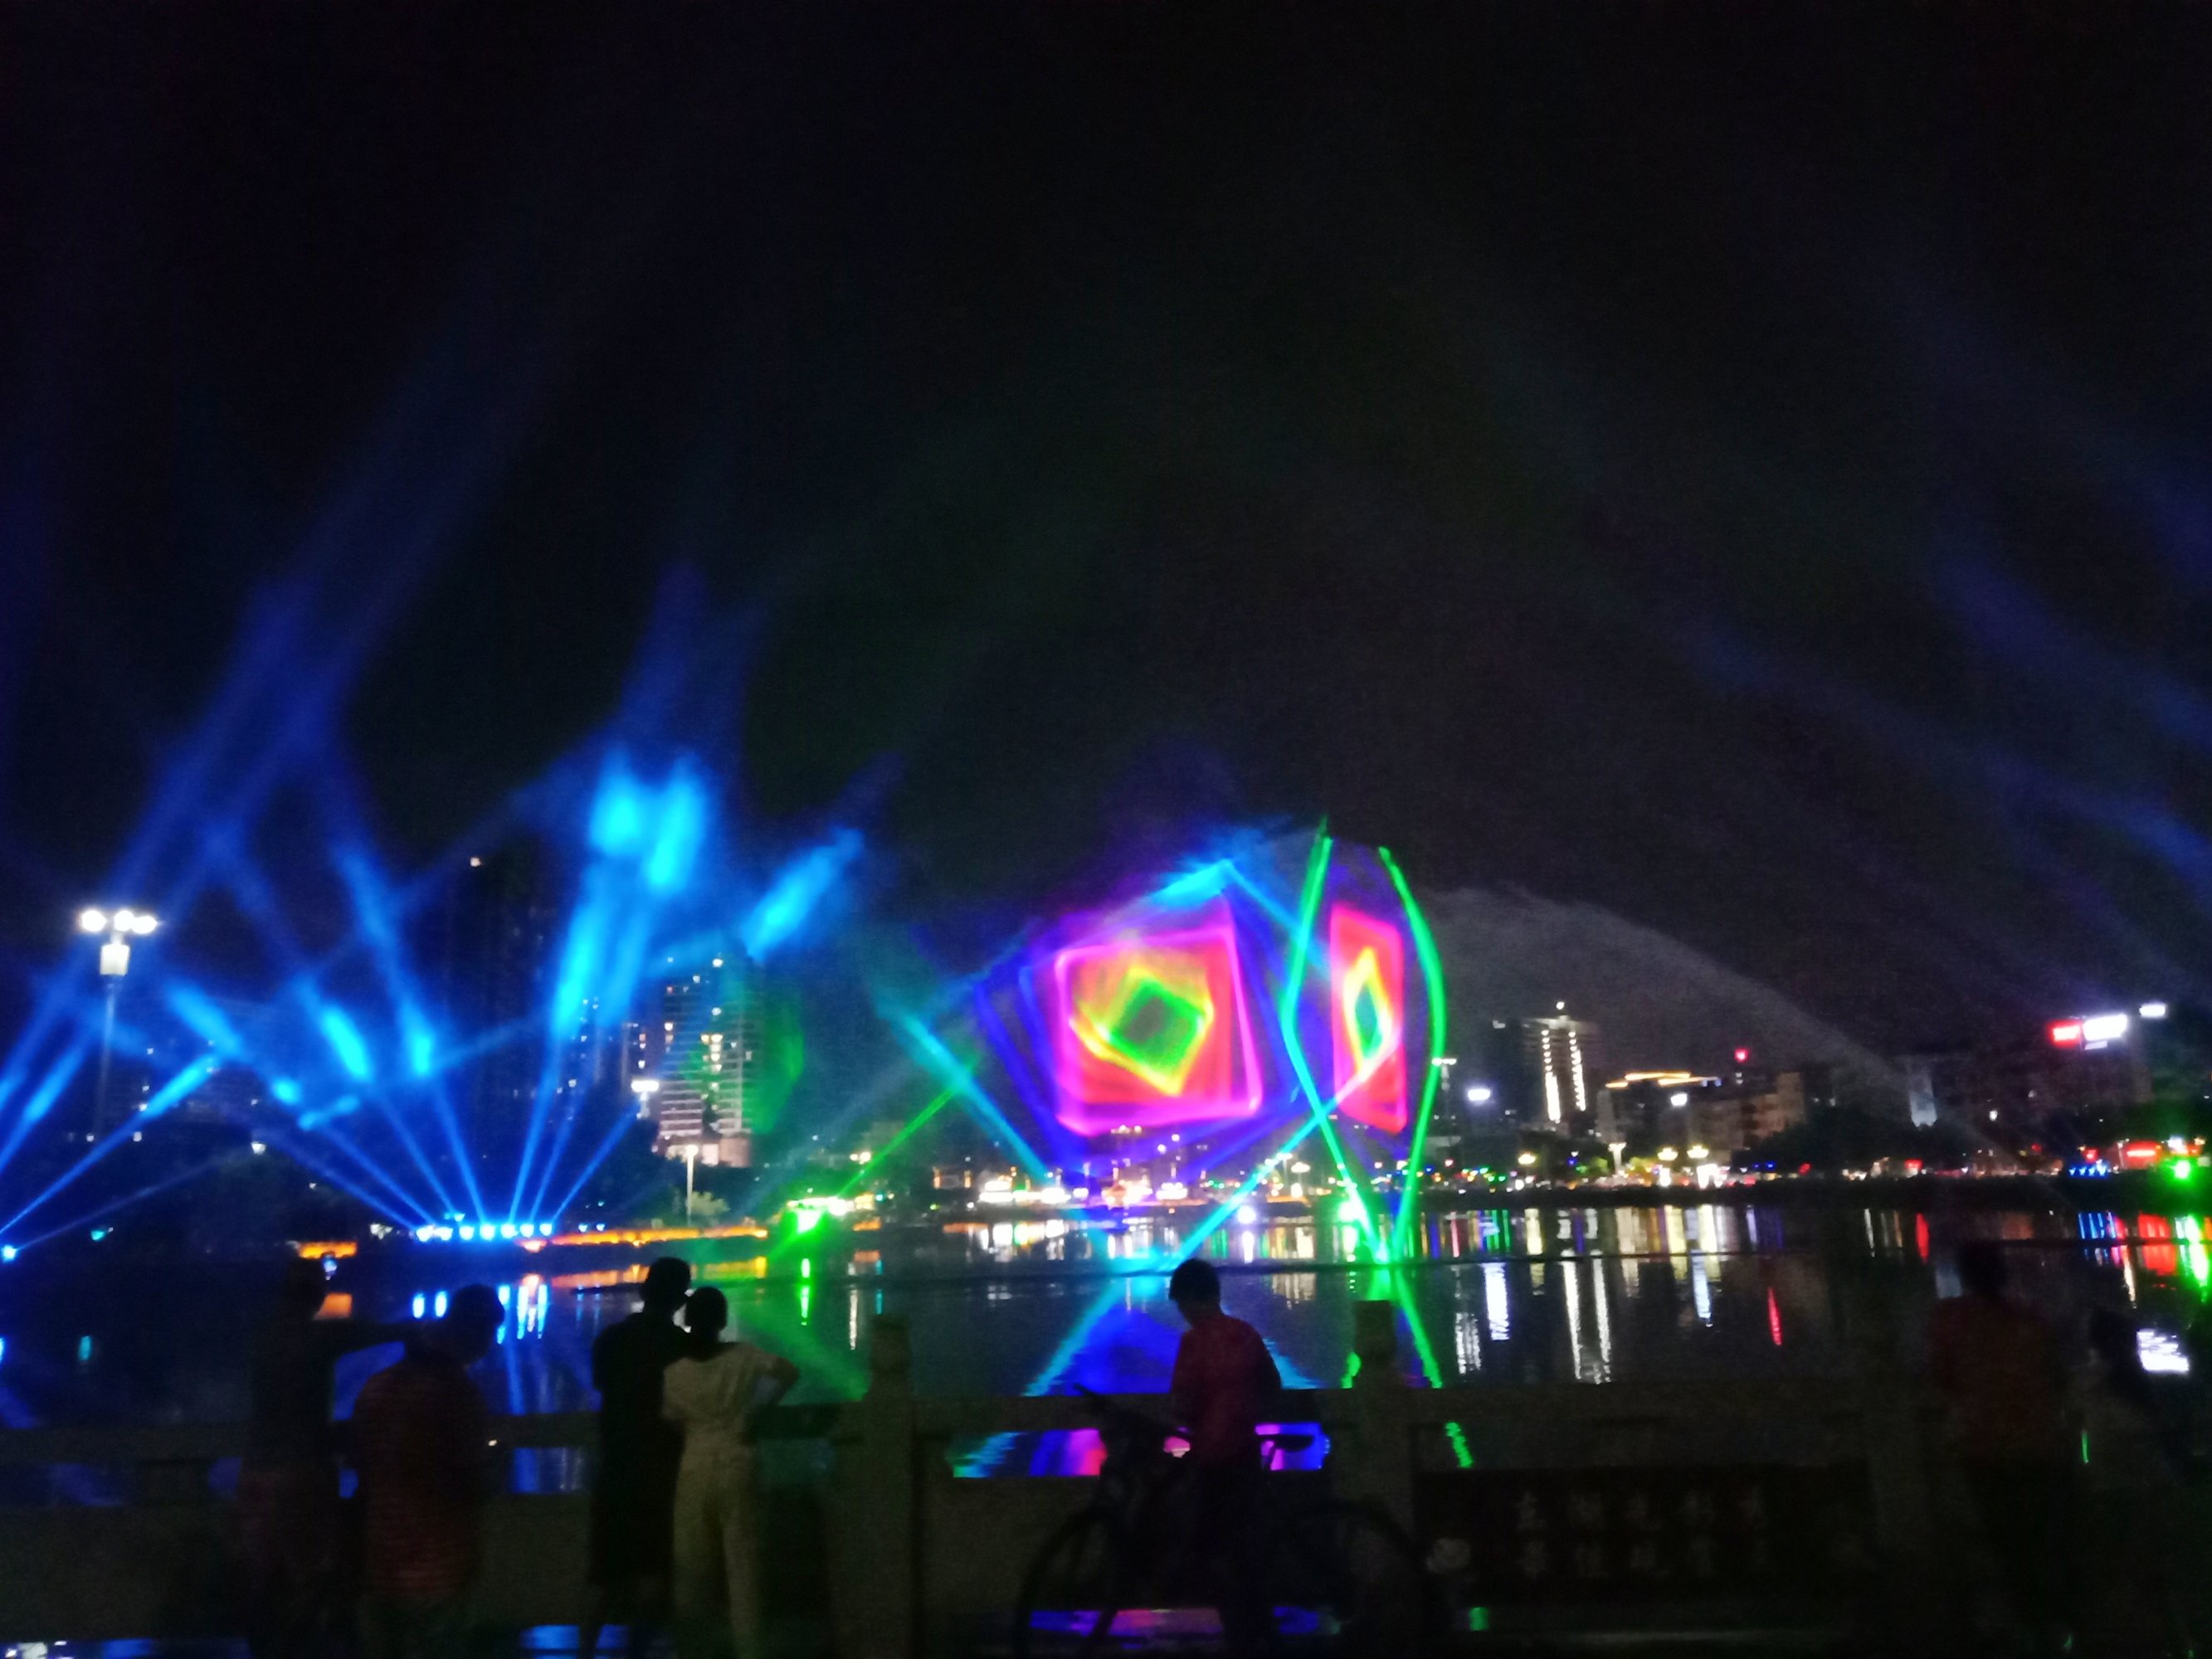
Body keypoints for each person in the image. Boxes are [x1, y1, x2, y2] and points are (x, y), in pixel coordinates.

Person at [239, 1256, 412, 1659]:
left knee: (263, 1572)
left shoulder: (260, 1337)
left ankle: (265, 1648)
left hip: (257, 1469)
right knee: (312, 1569)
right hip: (304, 1469)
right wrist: (417, 1332)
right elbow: (371, 1331)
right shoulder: (321, 1338)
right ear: (318, 1296)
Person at [1926, 1242, 2070, 1647]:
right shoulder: (2031, 1321)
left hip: (1984, 1445)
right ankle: (2048, 1623)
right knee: (2038, 1537)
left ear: (1965, 1277)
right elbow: (2055, 1375)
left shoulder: (1950, 1322)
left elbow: (1942, 1377)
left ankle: (2017, 1624)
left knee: (2000, 1537)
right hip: (2038, 1444)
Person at [352, 1285, 505, 1659]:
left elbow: (360, 1461)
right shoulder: (459, 1395)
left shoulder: (376, 1388)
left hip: (381, 1560)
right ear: (477, 1333)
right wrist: (501, 1462)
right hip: (441, 1564)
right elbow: (470, 1483)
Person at [662, 1286, 799, 1659]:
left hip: (695, 1464)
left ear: (688, 1320)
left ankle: (694, 1649)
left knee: (692, 1568)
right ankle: (750, 1648)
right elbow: (788, 1372)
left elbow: (671, 1420)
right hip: (738, 1458)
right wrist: (753, 1411)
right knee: (745, 1566)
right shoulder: (744, 1356)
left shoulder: (674, 1374)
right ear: (722, 1321)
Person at [1166, 1256, 1281, 1657]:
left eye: (1182, 1304)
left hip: (1213, 1458)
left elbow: (1182, 1406)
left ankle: (1239, 1631)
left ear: (1192, 1299)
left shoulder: (1194, 1343)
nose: (1182, 1313)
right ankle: (1260, 1628)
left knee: (1210, 1549)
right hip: (1245, 1451)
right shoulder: (1245, 1334)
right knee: (1245, 1547)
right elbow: (1272, 1384)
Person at [580, 1257, 694, 1659]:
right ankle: (637, 1652)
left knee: (605, 1573)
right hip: (663, 1470)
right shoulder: (682, 1348)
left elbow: (601, 1384)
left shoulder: (610, 1340)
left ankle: (585, 1651)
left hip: (616, 1465)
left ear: (644, 1291)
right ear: (680, 1300)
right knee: (654, 1569)